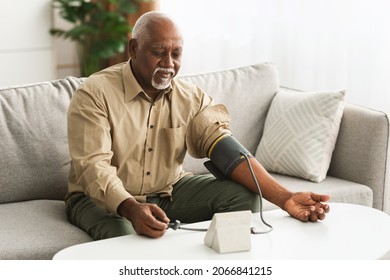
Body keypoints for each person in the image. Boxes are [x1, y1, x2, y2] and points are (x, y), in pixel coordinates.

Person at [65, 11, 330, 240]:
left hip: (167, 192)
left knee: (245, 199)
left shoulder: (190, 97)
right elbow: (93, 167)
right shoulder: (94, 93)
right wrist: (131, 208)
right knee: (125, 237)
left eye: (176, 54)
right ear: (133, 49)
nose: (169, 64)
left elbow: (226, 151)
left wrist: (285, 198)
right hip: (98, 199)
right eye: (159, 53)